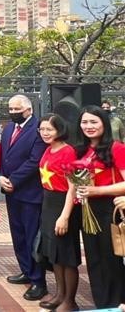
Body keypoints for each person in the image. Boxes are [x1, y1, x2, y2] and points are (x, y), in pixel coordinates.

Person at [74, 105, 125, 308]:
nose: (89, 126)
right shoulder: (82, 150)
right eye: (85, 122)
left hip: (109, 209)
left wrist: (98, 191)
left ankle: (115, 302)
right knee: (94, 260)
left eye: (94, 122)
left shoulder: (117, 149)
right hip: (88, 209)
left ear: (104, 123)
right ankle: (102, 303)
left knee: (111, 259)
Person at [0, 94, 48, 301]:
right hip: (11, 191)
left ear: (28, 109)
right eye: (10, 109)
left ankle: (39, 281)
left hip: (30, 192)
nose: (12, 113)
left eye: (16, 109)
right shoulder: (9, 128)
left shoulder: (38, 129)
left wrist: (13, 180)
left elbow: (34, 161)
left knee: (31, 237)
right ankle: (26, 270)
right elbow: (4, 155)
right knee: (17, 234)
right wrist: (2, 176)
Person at [36, 113, 81, 312]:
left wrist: (65, 216)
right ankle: (60, 294)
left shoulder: (68, 151)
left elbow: (73, 187)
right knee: (54, 253)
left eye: (49, 129)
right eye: (42, 129)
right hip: (48, 203)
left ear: (59, 130)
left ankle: (70, 301)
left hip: (64, 204)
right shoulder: (49, 149)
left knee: (66, 255)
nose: (45, 133)